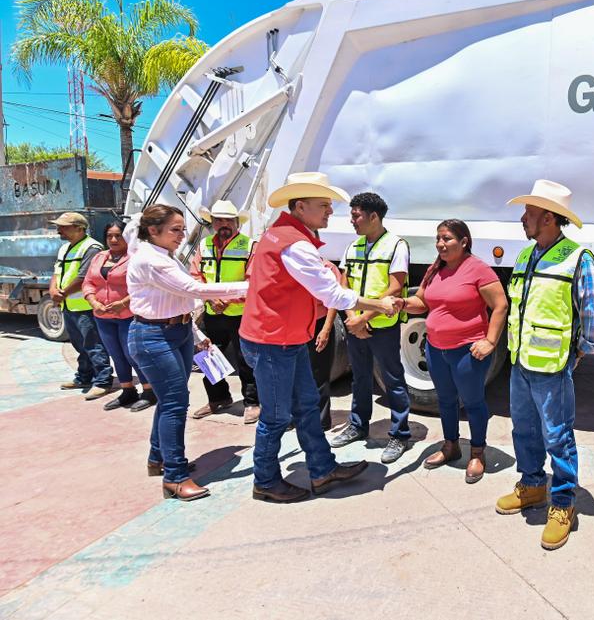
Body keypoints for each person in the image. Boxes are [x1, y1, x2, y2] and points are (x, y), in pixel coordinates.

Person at [239, 172, 402, 504]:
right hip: (274, 341)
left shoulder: (279, 235)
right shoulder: (295, 244)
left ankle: (322, 468)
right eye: (324, 206)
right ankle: (266, 480)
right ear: (300, 207)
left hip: (284, 337)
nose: (331, 212)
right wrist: (378, 304)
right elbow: (332, 295)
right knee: (276, 417)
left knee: (307, 405)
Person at [495, 179, 594, 551]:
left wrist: (582, 350)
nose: (523, 219)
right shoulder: (527, 255)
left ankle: (562, 503)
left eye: (528, 212)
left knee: (557, 435)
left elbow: (593, 313)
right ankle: (531, 485)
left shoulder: (578, 257)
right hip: (520, 361)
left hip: (553, 366)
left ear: (547, 217)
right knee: (523, 430)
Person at [126, 205, 248, 502]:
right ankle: (176, 477)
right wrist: (254, 286)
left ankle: (159, 459)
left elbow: (178, 300)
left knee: (170, 402)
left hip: (176, 332)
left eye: (182, 229)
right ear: (153, 231)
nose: (182, 236)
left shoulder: (164, 255)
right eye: (175, 230)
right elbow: (192, 288)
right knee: (175, 405)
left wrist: (195, 334)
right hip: (155, 337)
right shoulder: (152, 260)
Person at [403, 220, 508, 483]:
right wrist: (402, 303)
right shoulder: (435, 269)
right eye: (438, 238)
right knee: (446, 400)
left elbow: (500, 305)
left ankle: (477, 452)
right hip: (436, 349)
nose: (440, 244)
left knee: (472, 402)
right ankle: (450, 446)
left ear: (464, 242)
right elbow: (422, 302)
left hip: (467, 351)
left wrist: (490, 341)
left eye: (447, 238)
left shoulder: (478, 270)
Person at [329, 192, 412, 466]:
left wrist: (362, 319)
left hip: (382, 327)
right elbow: (344, 284)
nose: (352, 221)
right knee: (360, 378)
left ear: (373, 216)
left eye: (356, 215)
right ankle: (357, 425)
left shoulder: (396, 245)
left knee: (393, 380)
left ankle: (399, 434)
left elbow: (395, 287)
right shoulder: (353, 247)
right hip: (357, 325)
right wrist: (352, 319)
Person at [188, 200, 260, 424]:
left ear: (237, 222)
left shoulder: (250, 246)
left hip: (240, 313)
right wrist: (211, 298)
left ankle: (252, 403)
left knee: (245, 358)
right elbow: (195, 275)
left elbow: (253, 280)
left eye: (229, 220)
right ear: (212, 223)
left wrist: (227, 300)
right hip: (212, 312)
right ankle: (219, 398)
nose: (224, 224)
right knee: (208, 356)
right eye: (219, 220)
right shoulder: (204, 245)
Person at [82, 221, 157, 411]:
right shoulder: (99, 257)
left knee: (133, 354)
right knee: (116, 355)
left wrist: (123, 303)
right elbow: (89, 282)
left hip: (128, 315)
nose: (114, 239)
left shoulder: (135, 258)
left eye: (118, 235)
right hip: (103, 316)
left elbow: (146, 286)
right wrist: (94, 302)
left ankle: (149, 391)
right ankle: (127, 389)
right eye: (109, 236)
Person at [49, 211, 114, 399]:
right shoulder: (65, 248)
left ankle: (103, 380)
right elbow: (56, 272)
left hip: (85, 305)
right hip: (68, 305)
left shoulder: (91, 247)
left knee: (93, 343)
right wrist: (53, 290)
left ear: (79, 228)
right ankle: (84, 376)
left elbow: (85, 276)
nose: (58, 230)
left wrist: (63, 293)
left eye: (63, 227)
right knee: (79, 344)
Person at [309, 252, 344, 431]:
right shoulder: (296, 267)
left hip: (319, 324)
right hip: (297, 326)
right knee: (296, 375)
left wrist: (326, 329)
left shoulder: (328, 268)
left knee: (319, 375)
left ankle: (322, 421)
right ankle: (296, 417)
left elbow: (334, 300)